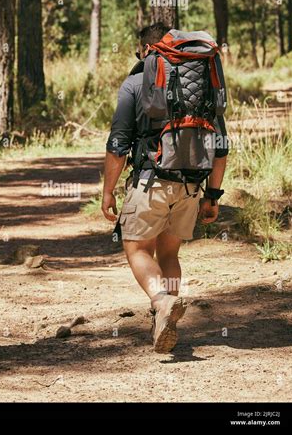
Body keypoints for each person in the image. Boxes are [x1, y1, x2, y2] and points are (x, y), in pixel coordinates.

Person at [102, 22, 228, 353]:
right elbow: (222, 148)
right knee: (169, 252)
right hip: (190, 185)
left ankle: (161, 300)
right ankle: (167, 313)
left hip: (149, 182)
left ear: (146, 51)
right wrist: (213, 195)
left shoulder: (134, 82)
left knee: (138, 249)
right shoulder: (205, 84)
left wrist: (107, 192)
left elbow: (117, 144)